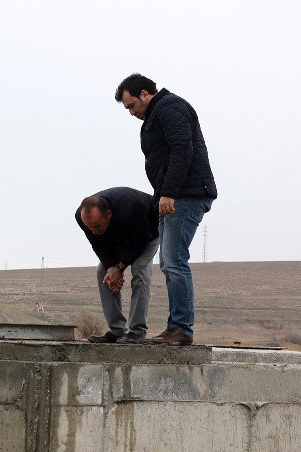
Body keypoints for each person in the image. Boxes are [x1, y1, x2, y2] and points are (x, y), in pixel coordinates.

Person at [115, 73, 218, 346]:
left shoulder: (170, 107)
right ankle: (177, 328)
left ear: (145, 94)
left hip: (185, 195)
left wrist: (169, 193)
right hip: (173, 196)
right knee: (170, 263)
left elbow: (181, 149)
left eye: (131, 105)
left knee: (174, 262)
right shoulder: (157, 115)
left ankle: (181, 329)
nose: (131, 112)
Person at [75, 187, 159, 343]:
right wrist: (111, 269)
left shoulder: (132, 207)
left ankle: (137, 331)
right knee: (102, 271)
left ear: (109, 215)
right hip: (118, 240)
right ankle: (117, 330)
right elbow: (98, 245)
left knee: (140, 269)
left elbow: (140, 242)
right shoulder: (82, 218)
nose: (93, 231)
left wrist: (119, 268)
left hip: (147, 235)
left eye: (97, 226)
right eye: (90, 227)